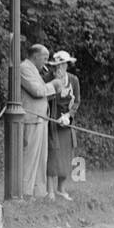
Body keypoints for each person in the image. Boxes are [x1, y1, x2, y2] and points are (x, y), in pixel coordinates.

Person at [21, 44, 63, 199]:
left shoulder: (35, 71)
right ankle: (25, 192)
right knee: (29, 158)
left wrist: (53, 89)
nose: (46, 62)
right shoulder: (24, 68)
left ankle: (37, 192)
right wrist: (53, 85)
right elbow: (37, 91)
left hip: (40, 118)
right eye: (44, 58)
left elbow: (42, 93)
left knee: (40, 158)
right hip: (30, 119)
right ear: (35, 56)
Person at [46, 50, 80, 200]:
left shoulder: (73, 80)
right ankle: (50, 191)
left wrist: (69, 116)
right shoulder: (47, 78)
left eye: (62, 65)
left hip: (66, 123)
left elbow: (77, 101)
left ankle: (61, 188)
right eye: (56, 65)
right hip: (51, 122)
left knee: (66, 155)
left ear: (67, 65)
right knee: (52, 154)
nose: (59, 68)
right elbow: (43, 97)